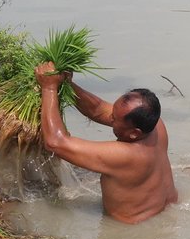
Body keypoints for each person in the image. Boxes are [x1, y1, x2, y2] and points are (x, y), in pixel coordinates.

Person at [34, 64, 178, 224]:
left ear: (134, 133)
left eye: (114, 119)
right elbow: (98, 109)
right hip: (165, 215)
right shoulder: (156, 125)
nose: (109, 118)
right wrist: (65, 83)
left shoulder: (125, 155)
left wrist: (49, 88)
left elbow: (55, 142)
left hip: (130, 233)